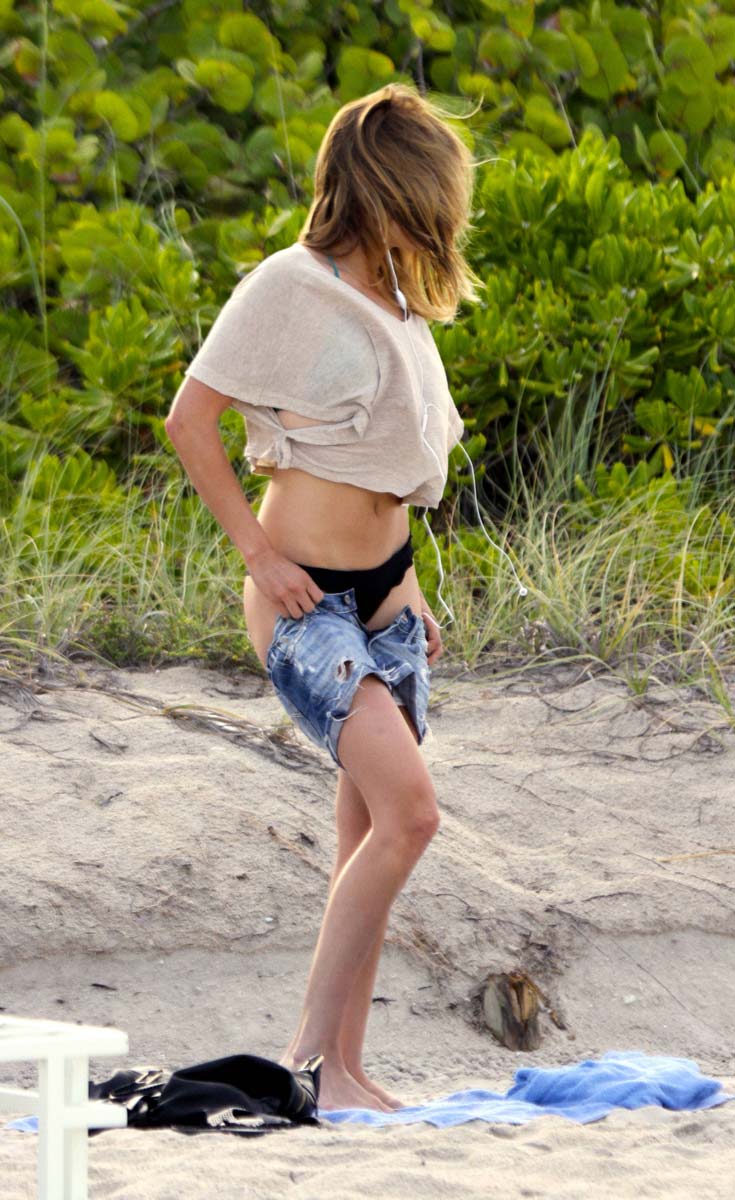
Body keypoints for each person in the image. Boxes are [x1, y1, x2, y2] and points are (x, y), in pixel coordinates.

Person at [165, 81, 481, 1112]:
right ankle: (306, 1063)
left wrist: (413, 589)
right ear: (385, 186)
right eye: (428, 198)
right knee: (412, 816)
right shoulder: (288, 285)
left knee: (370, 838)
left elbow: (389, 469)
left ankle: (345, 1068)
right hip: (307, 603)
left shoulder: (399, 305)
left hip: (388, 601)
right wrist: (257, 555)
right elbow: (189, 420)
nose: (439, 222)